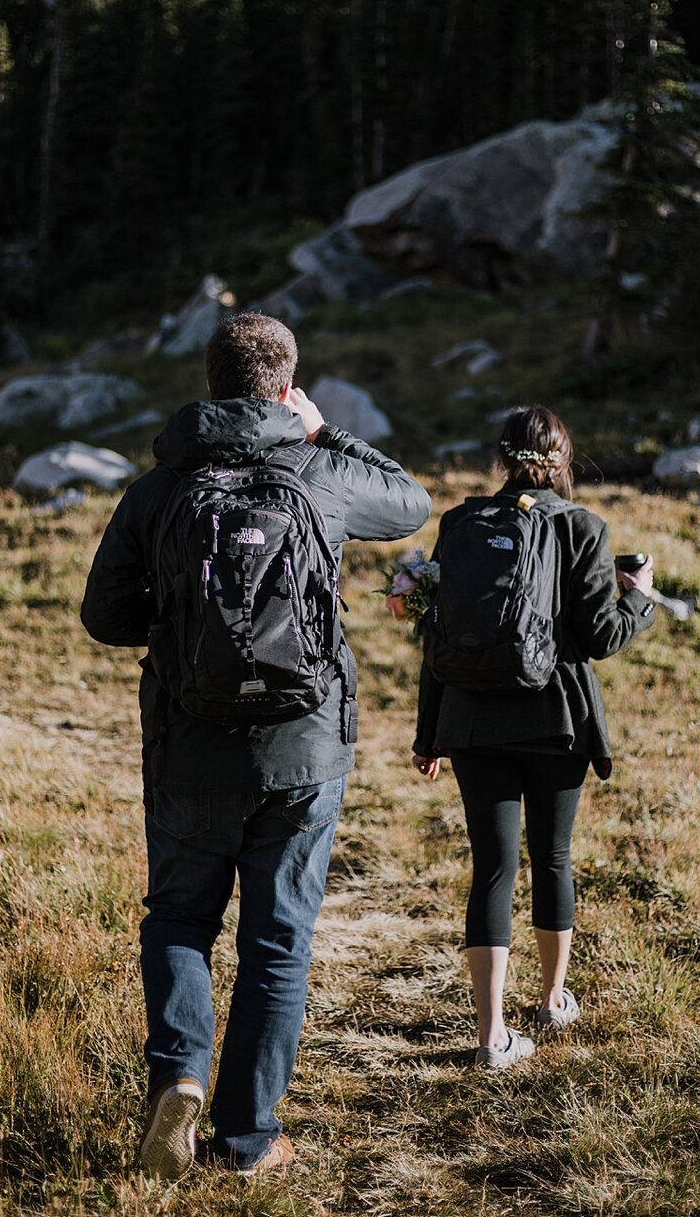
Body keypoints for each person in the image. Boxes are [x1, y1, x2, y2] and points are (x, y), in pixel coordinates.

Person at [81, 312, 430, 1177]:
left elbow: (105, 617)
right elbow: (414, 504)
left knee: (179, 921)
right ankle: (246, 1143)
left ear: (210, 383)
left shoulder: (161, 485)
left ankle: (179, 1077)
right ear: (285, 386)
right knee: (277, 942)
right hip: (303, 749)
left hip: (189, 746)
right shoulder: (319, 472)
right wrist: (325, 429)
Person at [412, 404, 654, 1069]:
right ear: (562, 460)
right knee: (550, 858)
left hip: (469, 719)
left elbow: (438, 637)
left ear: (501, 458)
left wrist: (428, 735)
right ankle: (551, 999)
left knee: (491, 865)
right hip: (556, 721)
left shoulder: (460, 525)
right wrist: (640, 596)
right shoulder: (582, 525)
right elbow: (601, 636)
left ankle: (490, 1036)